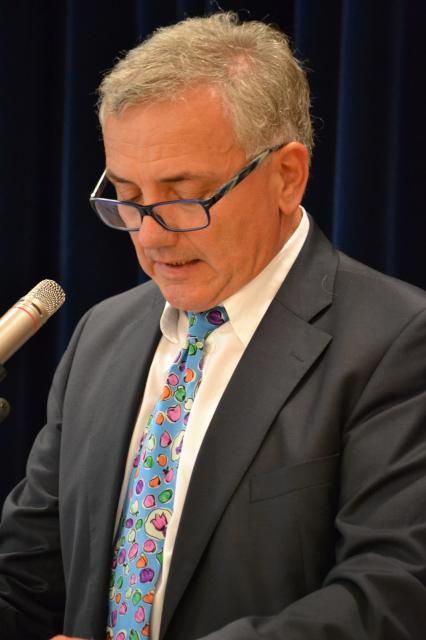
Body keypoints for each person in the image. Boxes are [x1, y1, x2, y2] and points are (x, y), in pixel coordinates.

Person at [0, 11, 425, 640]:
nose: (150, 237)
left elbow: (393, 596)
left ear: (287, 176)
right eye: (128, 198)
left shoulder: (399, 341)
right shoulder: (101, 335)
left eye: (182, 197)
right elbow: (27, 579)